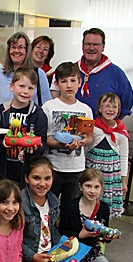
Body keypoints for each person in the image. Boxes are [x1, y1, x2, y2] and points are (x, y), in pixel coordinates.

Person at [21, 156, 76, 262]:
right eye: (36, 178)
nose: (42, 184)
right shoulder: (20, 203)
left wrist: (66, 245)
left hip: (52, 260)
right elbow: (14, 241)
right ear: (27, 178)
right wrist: (33, 257)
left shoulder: (53, 201)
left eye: (47, 178)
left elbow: (53, 232)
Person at [42, 62, 93, 212]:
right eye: (63, 81)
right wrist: (60, 145)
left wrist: (82, 142)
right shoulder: (49, 107)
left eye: (72, 80)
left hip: (75, 168)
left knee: (70, 208)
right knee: (49, 206)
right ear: (57, 84)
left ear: (80, 82)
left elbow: (90, 137)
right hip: (53, 166)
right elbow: (44, 138)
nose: (68, 85)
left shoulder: (85, 109)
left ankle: (66, 234)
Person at [58, 168, 117, 262]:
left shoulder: (103, 208)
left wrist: (107, 237)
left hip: (91, 250)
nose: (92, 191)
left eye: (96, 187)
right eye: (88, 186)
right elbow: (61, 232)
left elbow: (104, 234)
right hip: (74, 251)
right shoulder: (71, 207)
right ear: (80, 186)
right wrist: (80, 235)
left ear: (101, 188)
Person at [51, 28, 133, 118]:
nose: (91, 48)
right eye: (88, 44)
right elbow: (56, 97)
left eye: (96, 45)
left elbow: (125, 105)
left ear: (103, 47)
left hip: (102, 129)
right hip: (70, 129)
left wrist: (110, 125)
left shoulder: (116, 73)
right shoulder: (70, 70)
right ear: (82, 46)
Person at [0, 67, 47, 186]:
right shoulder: (3, 110)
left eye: (30, 88)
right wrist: (2, 144)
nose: (26, 91)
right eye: (21, 86)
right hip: (3, 171)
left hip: (26, 173)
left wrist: (36, 147)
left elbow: (42, 142)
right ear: (11, 86)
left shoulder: (38, 114)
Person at [85, 93, 129, 218]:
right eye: (107, 106)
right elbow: (85, 149)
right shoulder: (93, 127)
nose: (110, 109)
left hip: (111, 177)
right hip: (92, 171)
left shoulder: (121, 133)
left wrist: (123, 182)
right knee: (89, 200)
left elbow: (124, 158)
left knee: (104, 208)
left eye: (114, 107)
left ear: (118, 110)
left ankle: (102, 230)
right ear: (99, 108)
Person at [0, 32, 51, 113]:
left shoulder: (39, 74)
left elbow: (46, 106)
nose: (16, 51)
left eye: (21, 47)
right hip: (3, 124)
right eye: (13, 47)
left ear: (27, 50)